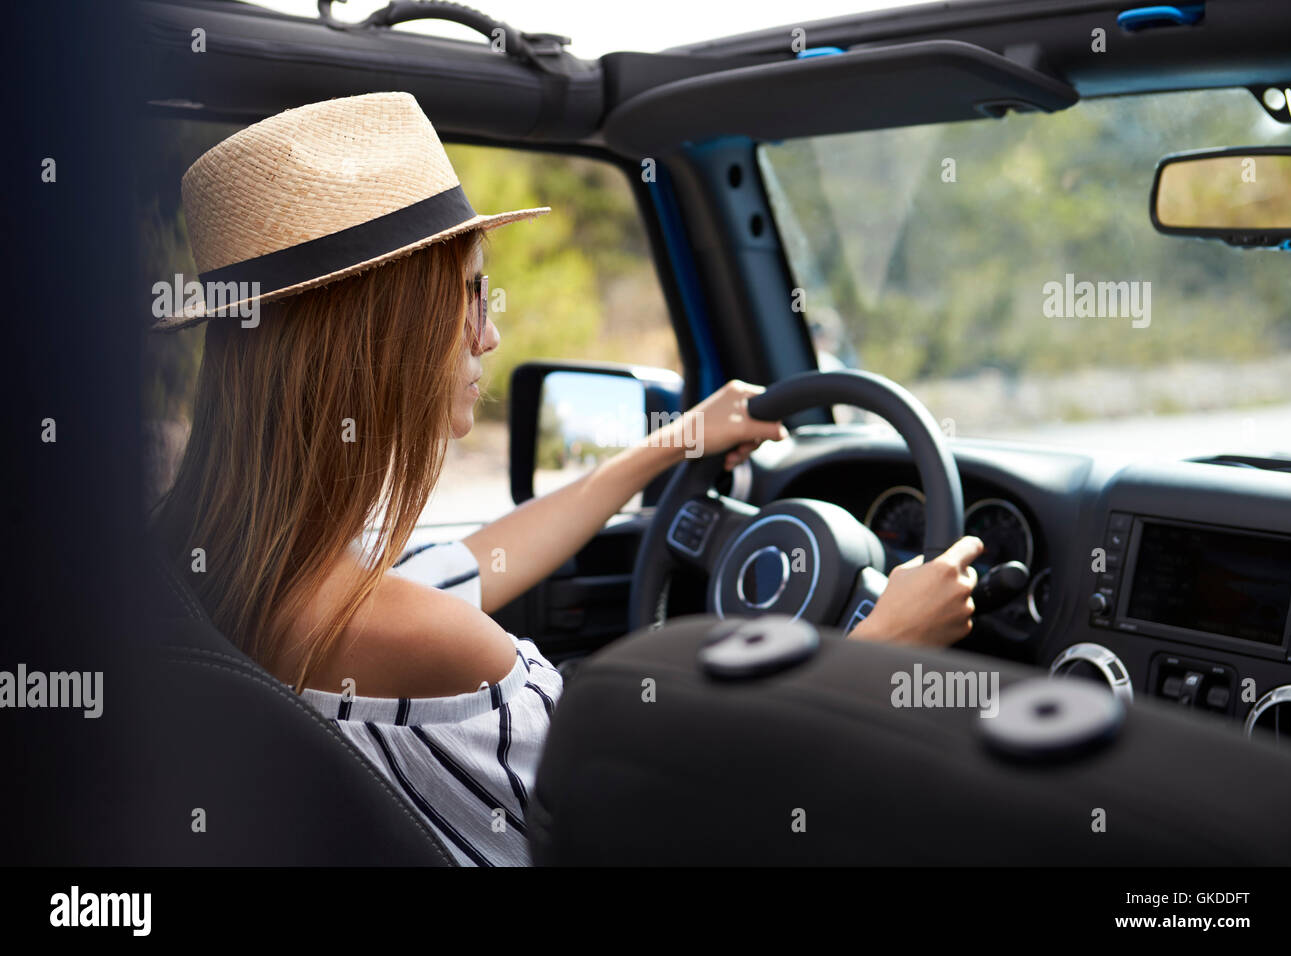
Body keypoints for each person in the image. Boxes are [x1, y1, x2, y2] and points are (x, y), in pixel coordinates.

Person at [150, 92, 982, 866]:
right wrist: (873, 654)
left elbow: (478, 564)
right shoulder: (437, 644)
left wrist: (673, 443)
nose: (490, 335)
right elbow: (673, 830)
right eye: (473, 293)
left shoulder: (210, 565)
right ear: (385, 334)